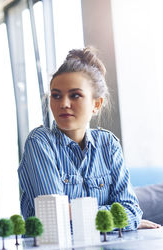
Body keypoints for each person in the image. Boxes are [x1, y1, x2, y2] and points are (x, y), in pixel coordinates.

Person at [18, 47, 160, 230]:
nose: (64, 104)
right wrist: (116, 219)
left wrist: (72, 212)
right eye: (56, 96)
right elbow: (54, 219)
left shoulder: (109, 144)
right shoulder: (39, 142)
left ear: (96, 104)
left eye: (75, 95)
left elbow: (132, 211)